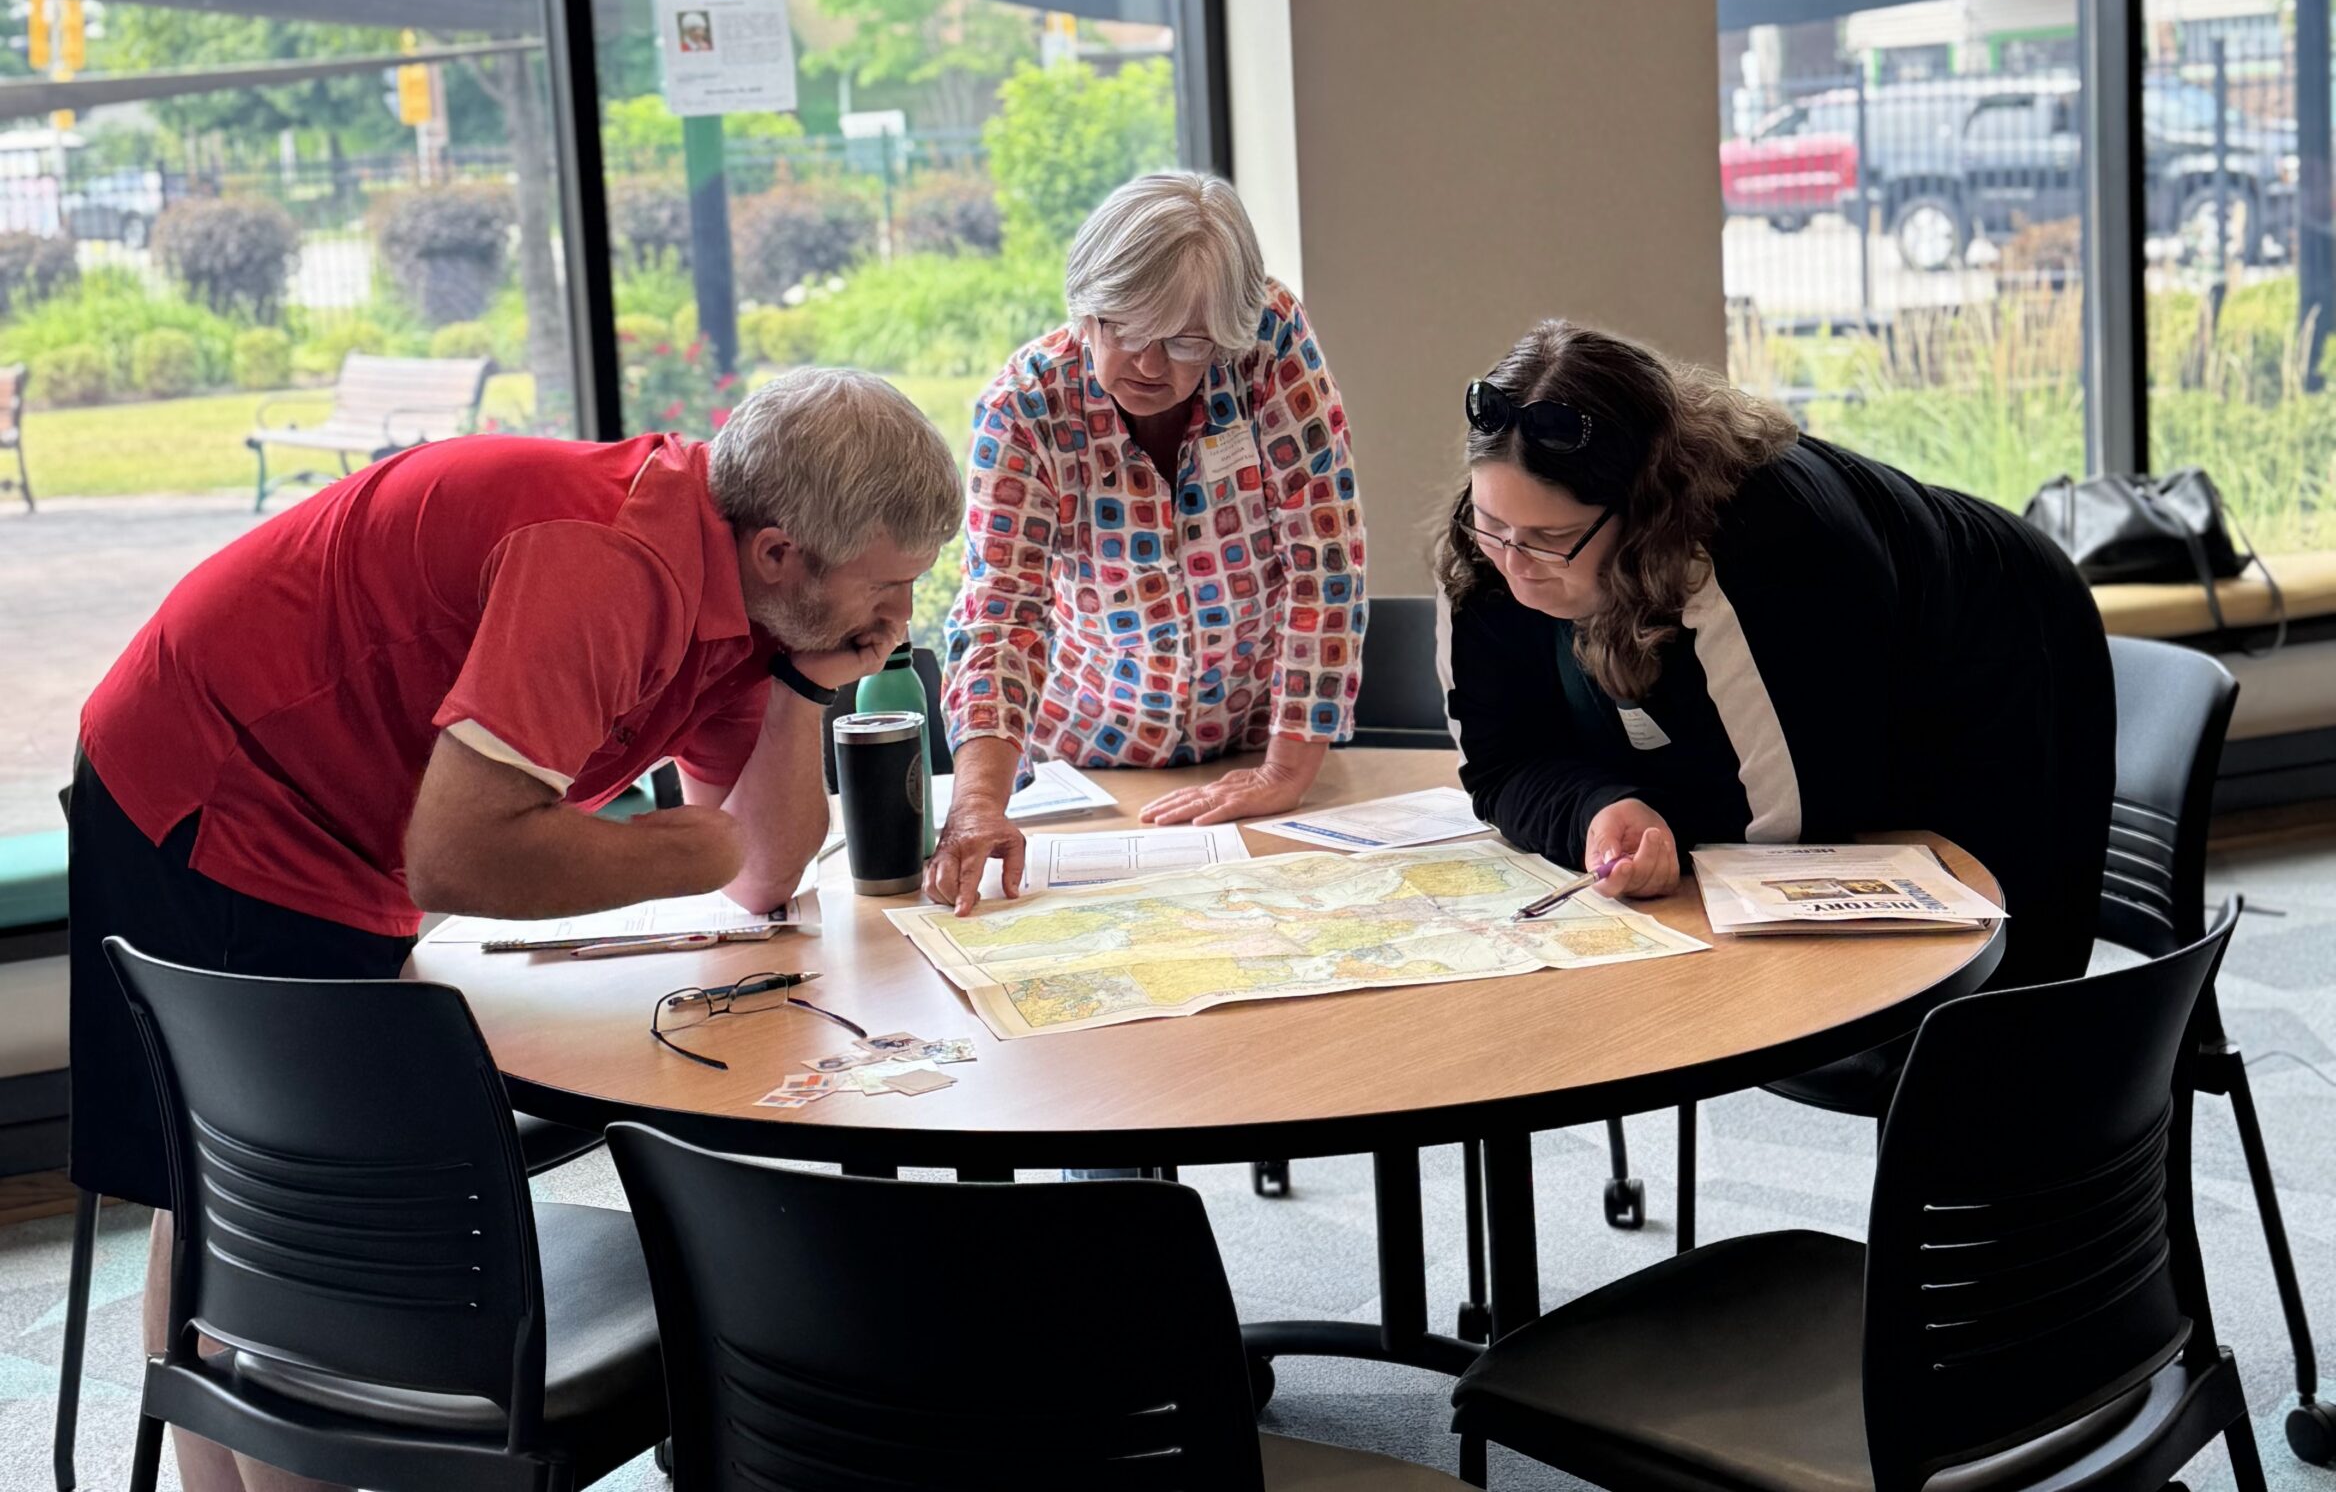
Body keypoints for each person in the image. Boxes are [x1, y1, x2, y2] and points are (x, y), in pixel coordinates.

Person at [71, 366, 960, 1492]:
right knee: (264, 1181)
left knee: (293, 1168)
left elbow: (763, 867)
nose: (901, 622)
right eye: (885, 589)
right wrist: (685, 850)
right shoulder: (607, 566)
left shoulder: (753, 594)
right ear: (780, 549)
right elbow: (466, 852)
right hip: (219, 769)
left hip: (356, 816)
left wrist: (806, 679)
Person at [1439, 318, 2110, 988]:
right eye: (1495, 524)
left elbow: (1786, 824)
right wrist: (1600, 809)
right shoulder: (1487, 552)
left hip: (1996, 639)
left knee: (1997, 980)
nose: (1515, 565)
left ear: (1642, 514)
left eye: (1551, 536)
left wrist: (1658, 819)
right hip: (1847, 655)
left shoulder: (1762, 553)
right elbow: (1500, 769)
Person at [927, 171, 1366, 915]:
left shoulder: (1268, 342)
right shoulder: (1026, 407)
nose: (1150, 364)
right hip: (1092, 758)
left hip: (1254, 746)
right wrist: (976, 805)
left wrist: (1286, 771)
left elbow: (1323, 556)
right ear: (1085, 309)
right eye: (1124, 327)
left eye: (1185, 340)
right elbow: (1002, 615)